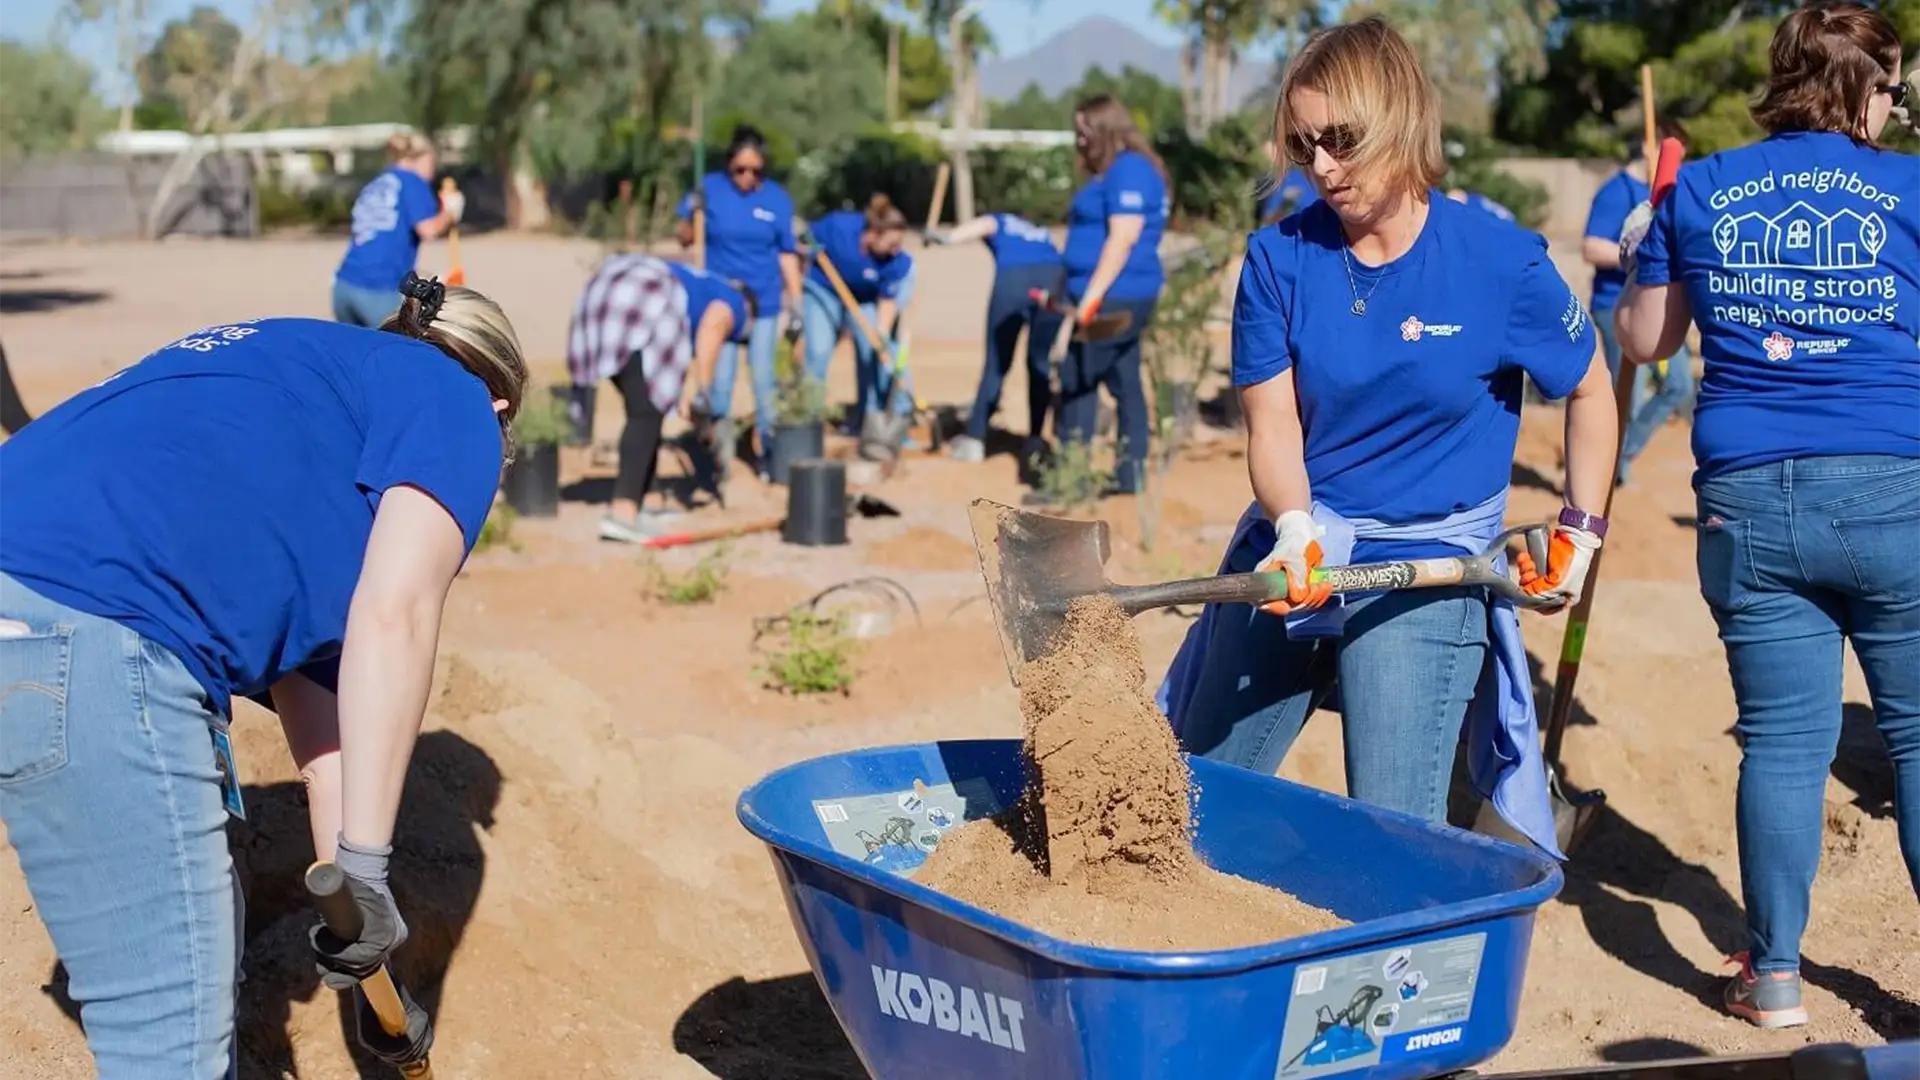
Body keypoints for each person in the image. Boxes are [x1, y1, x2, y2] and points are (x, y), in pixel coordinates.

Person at [0, 273, 527, 1076]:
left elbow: (333, 758)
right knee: (170, 1053)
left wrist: (364, 930)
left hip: (30, 596)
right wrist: (372, 867)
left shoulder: (296, 376)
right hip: (94, 628)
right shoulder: (458, 402)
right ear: (499, 407)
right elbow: (399, 616)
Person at [1155, 16, 1617, 860]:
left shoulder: (1498, 263)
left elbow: (1589, 386)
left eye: (1341, 140)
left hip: (1429, 563)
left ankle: (1387, 979)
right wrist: (1293, 527)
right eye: (1303, 147)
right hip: (1301, 547)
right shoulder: (1278, 260)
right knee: (1189, 798)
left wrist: (1581, 532)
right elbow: (1273, 421)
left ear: (1400, 118)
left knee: (1388, 837)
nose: (1322, 168)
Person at [1615, 0, 1920, 1030]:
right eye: (1894, 88)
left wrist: (1638, 246)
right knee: (1919, 739)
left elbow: (1647, 339)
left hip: (1748, 496)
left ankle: (1775, 978)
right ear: (1865, 90)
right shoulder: (1911, 186)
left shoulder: (1698, 187)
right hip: (1890, 488)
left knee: (1784, 745)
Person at [567, 254, 753, 543]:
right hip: (642, 299)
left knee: (644, 406)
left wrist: (682, 396)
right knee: (646, 414)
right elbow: (712, 329)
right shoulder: (736, 303)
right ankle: (623, 514)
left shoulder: (702, 282)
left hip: (604, 294)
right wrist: (703, 395)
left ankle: (648, 502)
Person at [675, 125, 804, 473]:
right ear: (729, 165)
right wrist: (690, 215)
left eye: (755, 170)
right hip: (723, 305)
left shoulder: (776, 199)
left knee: (764, 380)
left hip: (763, 304)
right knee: (720, 382)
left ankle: (769, 454)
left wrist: (796, 304)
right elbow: (685, 239)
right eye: (740, 170)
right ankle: (720, 457)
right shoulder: (710, 190)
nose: (747, 177)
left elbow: (787, 254)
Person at [1059, 93, 1170, 496]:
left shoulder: (1130, 171)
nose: (1080, 140)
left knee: (1078, 380)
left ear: (1105, 127)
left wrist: (1090, 299)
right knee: (1124, 381)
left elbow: (1123, 238)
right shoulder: (1120, 171)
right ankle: (1129, 477)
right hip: (1116, 295)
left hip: (1115, 297)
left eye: (1084, 131)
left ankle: (1069, 480)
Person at [1583, 121, 1696, 486]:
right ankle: (1609, 473)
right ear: (1653, 149)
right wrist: (1636, 255)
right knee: (1625, 398)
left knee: (1678, 384)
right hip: (1615, 305)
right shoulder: (1617, 192)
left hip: (1655, 305)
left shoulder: (1665, 195)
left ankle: (1620, 454)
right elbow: (1591, 246)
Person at [928, 211, 1066, 466]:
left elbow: (983, 226)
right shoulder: (1042, 233)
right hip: (1054, 281)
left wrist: (946, 239)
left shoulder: (1003, 220)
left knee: (996, 362)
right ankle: (1035, 439)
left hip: (1013, 280)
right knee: (1040, 362)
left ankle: (975, 440)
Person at [799, 195, 917, 436]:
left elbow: (886, 303)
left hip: (864, 298)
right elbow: (802, 238)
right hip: (824, 289)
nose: (896, 250)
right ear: (873, 233)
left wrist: (881, 336)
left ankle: (869, 418)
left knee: (871, 351)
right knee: (818, 351)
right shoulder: (838, 227)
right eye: (892, 243)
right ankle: (808, 419)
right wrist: (807, 248)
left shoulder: (897, 262)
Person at [332, 132, 464, 327]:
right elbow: (428, 229)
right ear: (421, 158)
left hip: (344, 286)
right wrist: (451, 210)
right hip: (379, 289)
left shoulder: (378, 182)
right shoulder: (413, 182)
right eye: (432, 162)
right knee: (398, 350)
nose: (433, 170)